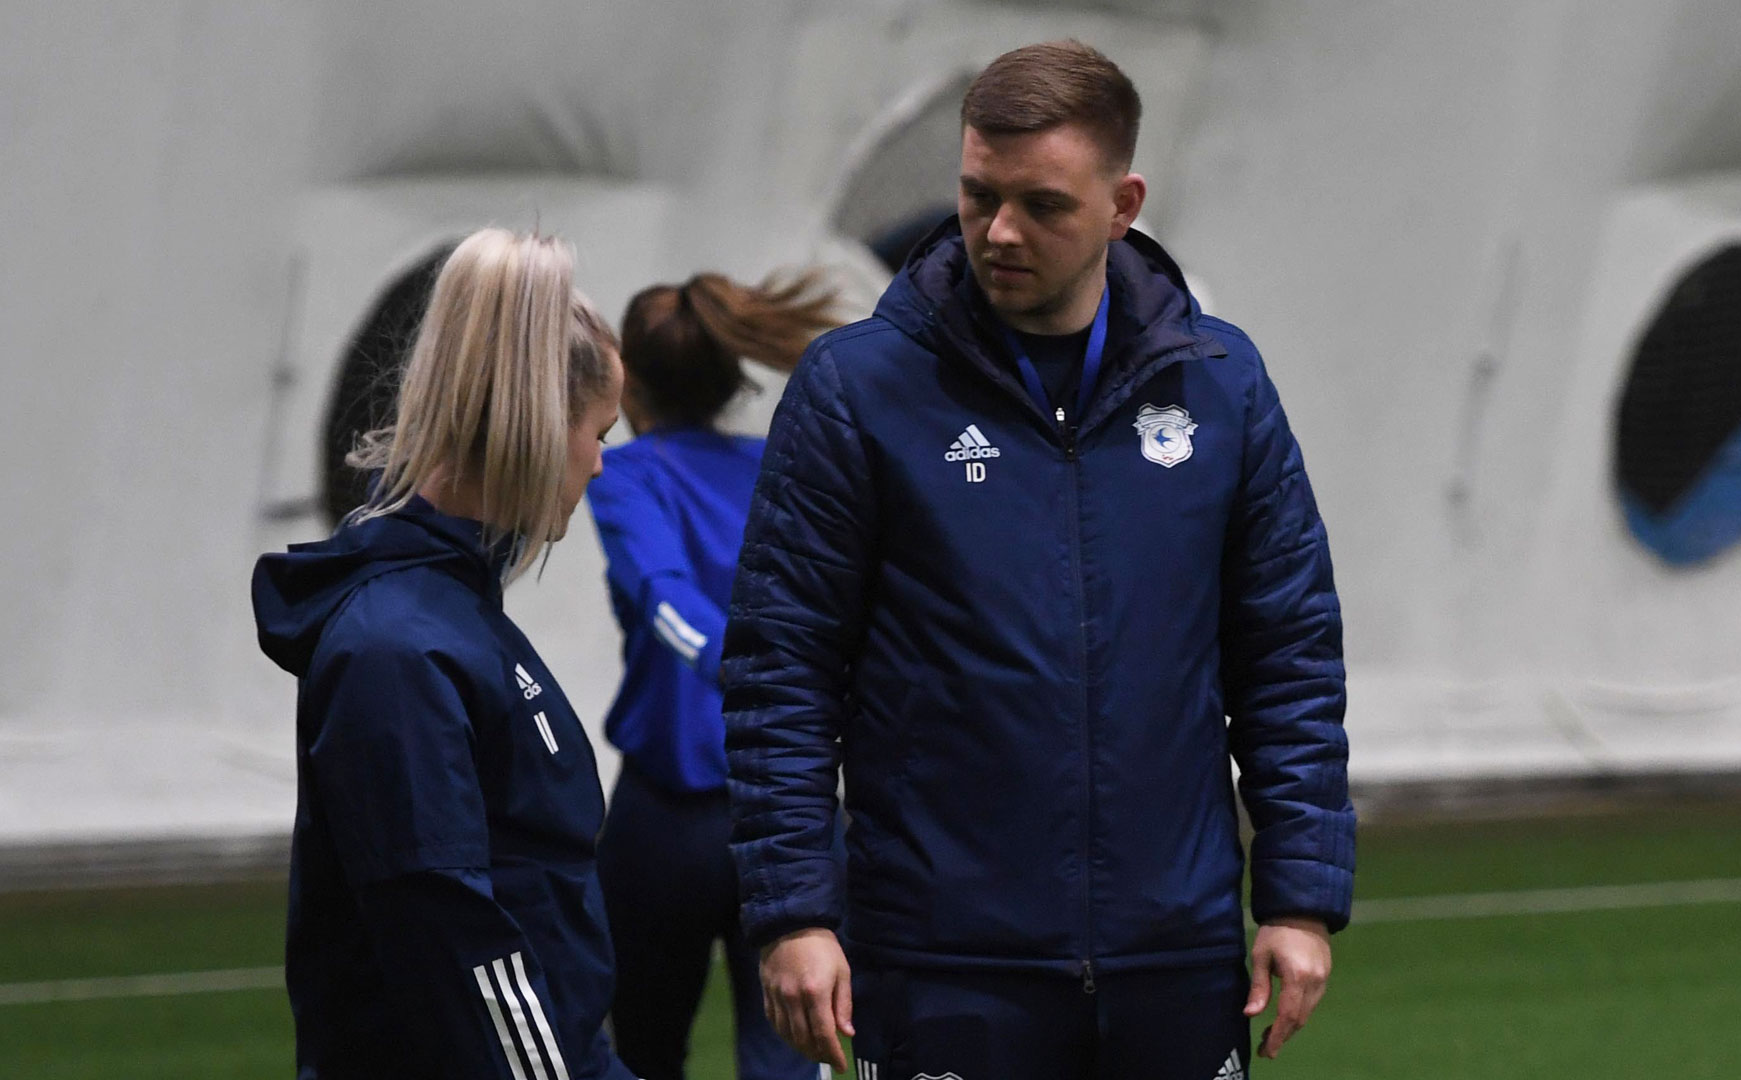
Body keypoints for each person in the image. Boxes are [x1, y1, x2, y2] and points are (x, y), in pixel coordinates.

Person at [723, 40, 1355, 1079]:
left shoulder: (1223, 386)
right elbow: (779, 668)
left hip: (1176, 958)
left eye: (1043, 204)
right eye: (978, 196)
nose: (999, 231)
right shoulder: (857, 390)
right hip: (942, 960)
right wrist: (793, 911)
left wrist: (1298, 897)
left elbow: (1288, 655)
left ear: (1124, 202)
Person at [252, 227, 637, 1080]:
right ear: (539, 425)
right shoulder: (399, 650)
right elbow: (451, 937)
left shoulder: (457, 619)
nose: (601, 466)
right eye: (599, 432)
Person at [588, 272, 839, 1080]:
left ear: (626, 379)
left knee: (645, 1054)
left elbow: (664, 598)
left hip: (666, 821)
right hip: (792, 807)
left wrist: (734, 668)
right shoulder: (781, 468)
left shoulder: (624, 478)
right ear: (732, 374)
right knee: (787, 1059)